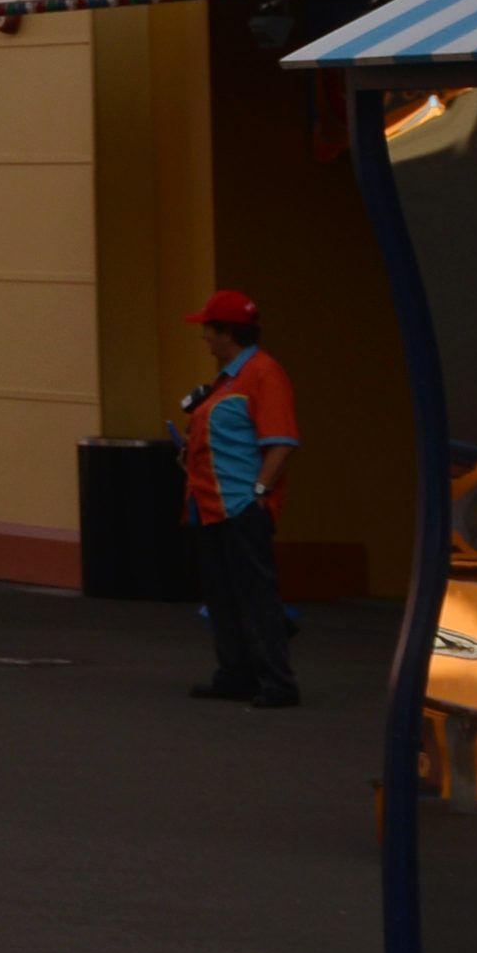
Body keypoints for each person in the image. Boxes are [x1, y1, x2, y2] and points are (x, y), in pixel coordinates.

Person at [179, 287, 305, 707]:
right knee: (223, 596)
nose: (204, 337)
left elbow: (282, 442)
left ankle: (276, 681)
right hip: (212, 505)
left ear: (226, 333)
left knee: (254, 597)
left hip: (239, 505)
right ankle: (235, 673)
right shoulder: (230, 378)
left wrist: (258, 492)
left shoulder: (263, 374)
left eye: (208, 329)